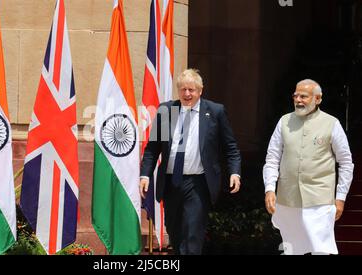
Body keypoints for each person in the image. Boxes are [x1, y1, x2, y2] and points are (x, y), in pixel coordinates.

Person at [139, 69, 242, 255]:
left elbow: (231, 146)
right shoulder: (165, 111)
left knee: (192, 235)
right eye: (183, 89)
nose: (187, 94)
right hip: (171, 183)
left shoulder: (215, 112)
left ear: (200, 91)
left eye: (191, 90)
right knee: (175, 234)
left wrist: (235, 172)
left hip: (198, 184)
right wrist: (145, 174)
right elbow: (152, 149)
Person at [263, 79, 354, 255]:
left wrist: (340, 197)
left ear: (318, 99)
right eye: (295, 95)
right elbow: (272, 158)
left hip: (320, 200)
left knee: (320, 249)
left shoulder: (332, 123)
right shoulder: (284, 121)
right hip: (288, 199)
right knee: (291, 249)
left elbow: (345, 163)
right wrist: (269, 189)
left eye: (304, 96)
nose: (298, 100)